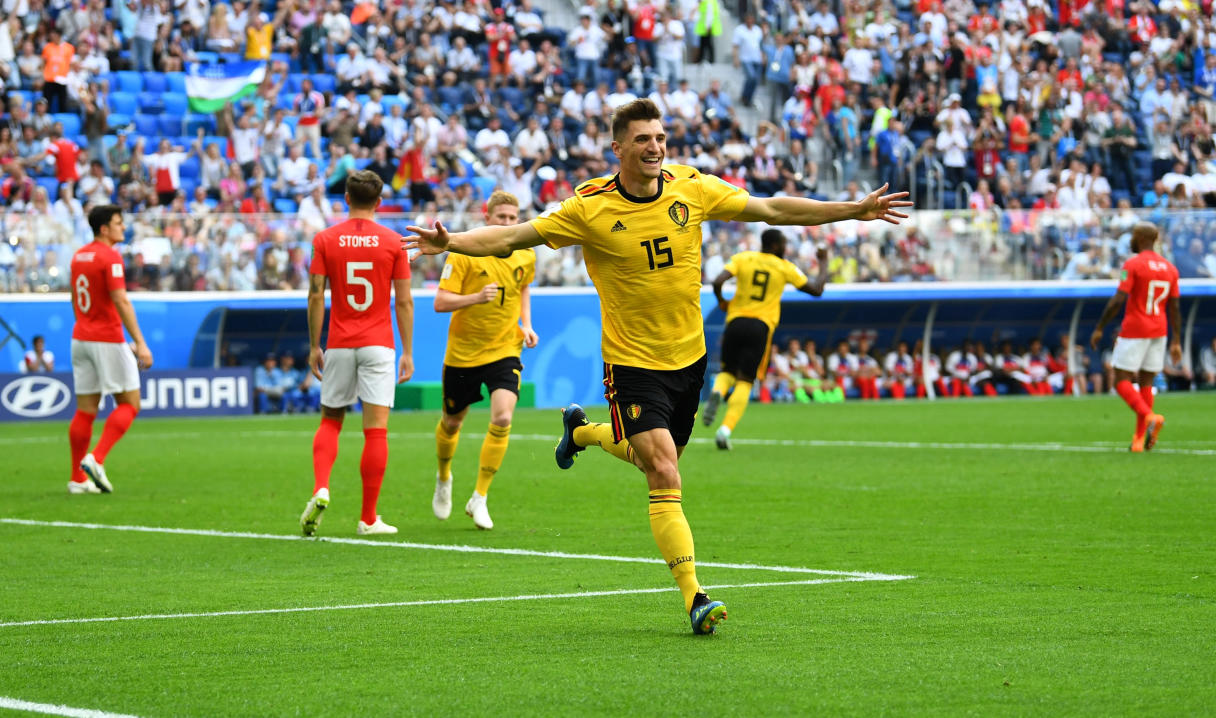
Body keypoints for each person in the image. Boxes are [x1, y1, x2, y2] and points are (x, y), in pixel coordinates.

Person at [403, 99, 910, 635]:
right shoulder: (589, 208)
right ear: (617, 148)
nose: (655, 146)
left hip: (689, 358)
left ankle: (584, 433)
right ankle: (696, 597)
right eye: (642, 139)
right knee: (665, 472)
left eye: (660, 136)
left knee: (655, 461)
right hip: (631, 362)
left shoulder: (690, 186)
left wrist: (851, 209)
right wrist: (451, 242)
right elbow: (512, 236)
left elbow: (771, 209)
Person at [299, 170, 414, 537]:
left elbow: (316, 294)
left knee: (331, 420)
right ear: (379, 202)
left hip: (340, 342)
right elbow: (405, 301)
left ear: (346, 199)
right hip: (379, 344)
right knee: (375, 431)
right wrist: (407, 351)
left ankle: (321, 486)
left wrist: (316, 344)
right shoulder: (394, 241)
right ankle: (367, 518)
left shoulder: (325, 239)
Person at [431, 191, 538, 530]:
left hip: (505, 348)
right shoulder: (464, 252)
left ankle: (480, 496)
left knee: (503, 416)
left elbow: (523, 287)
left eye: (513, 218)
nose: (508, 223)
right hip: (463, 354)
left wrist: (527, 324)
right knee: (452, 422)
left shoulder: (525, 253)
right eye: (502, 218)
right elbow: (440, 302)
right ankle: (444, 476)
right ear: (487, 216)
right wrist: (476, 297)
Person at [702, 229, 828, 449]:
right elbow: (817, 290)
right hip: (760, 326)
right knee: (746, 380)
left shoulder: (743, 258)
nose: (786, 248)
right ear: (776, 246)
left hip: (736, 321)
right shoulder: (784, 267)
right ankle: (724, 430)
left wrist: (722, 301)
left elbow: (719, 281)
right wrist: (824, 262)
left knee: (727, 372)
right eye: (784, 244)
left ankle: (717, 392)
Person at [67, 205, 154, 495]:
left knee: (85, 410)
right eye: (118, 223)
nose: (123, 228)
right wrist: (140, 343)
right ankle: (97, 458)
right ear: (104, 228)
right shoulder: (110, 256)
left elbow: (74, 299)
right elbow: (121, 300)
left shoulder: (79, 256)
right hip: (106, 338)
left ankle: (77, 479)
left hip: (80, 337)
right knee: (130, 403)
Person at [1090, 222, 1181, 453]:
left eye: (1133, 235)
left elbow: (1119, 299)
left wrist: (1100, 326)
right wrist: (1177, 340)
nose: (1131, 238)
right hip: (1159, 330)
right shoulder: (1170, 268)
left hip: (1135, 328)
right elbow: (1175, 307)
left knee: (1120, 380)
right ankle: (1139, 441)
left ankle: (1149, 416)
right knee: (1146, 383)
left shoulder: (1132, 264)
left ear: (1140, 238)